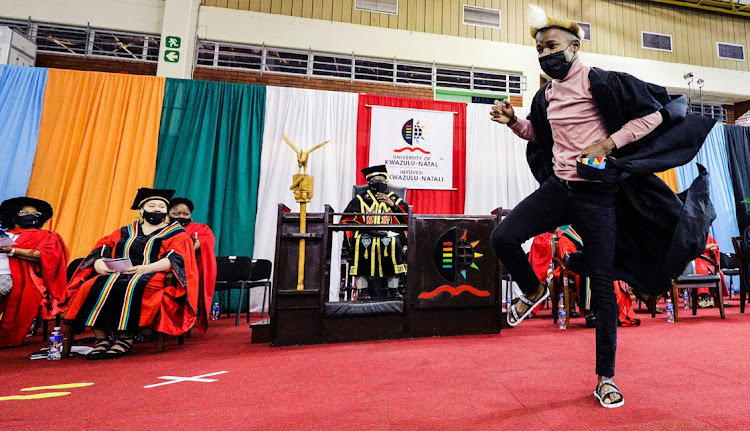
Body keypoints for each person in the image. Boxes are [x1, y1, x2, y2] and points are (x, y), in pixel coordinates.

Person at [489, 5, 715, 408]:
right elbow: (539, 136)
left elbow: (652, 117)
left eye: (552, 47)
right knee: (503, 237)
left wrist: (608, 144)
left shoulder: (603, 82)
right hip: (558, 189)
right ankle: (534, 289)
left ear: (575, 47)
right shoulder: (546, 95)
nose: (545, 55)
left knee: (603, 285)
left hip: (597, 196)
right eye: (539, 50)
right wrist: (512, 122)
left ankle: (605, 378)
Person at [62, 188, 199, 360]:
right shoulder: (125, 231)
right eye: (152, 205)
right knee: (91, 287)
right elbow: (102, 249)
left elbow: (176, 259)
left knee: (132, 287)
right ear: (141, 210)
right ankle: (101, 339)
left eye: (161, 207)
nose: (157, 209)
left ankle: (125, 338)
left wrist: (145, 269)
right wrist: (99, 264)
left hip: (153, 274)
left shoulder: (176, 233)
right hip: (118, 272)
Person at [0, 197, 69, 347]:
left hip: (17, 277)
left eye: (35, 213)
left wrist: (12, 250)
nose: (30, 215)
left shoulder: (46, 236)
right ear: (13, 215)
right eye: (24, 212)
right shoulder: (3, 235)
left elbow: (46, 256)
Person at [342, 165, 408, 300]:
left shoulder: (393, 198)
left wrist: (392, 205)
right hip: (366, 233)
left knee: (393, 242)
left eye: (381, 180)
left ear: (386, 182)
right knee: (361, 243)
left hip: (388, 234)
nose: (378, 183)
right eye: (374, 181)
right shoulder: (360, 199)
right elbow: (346, 220)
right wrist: (366, 229)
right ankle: (363, 290)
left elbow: (407, 217)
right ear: (369, 183)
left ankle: (393, 290)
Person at [168, 198, 216, 334]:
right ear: (168, 214)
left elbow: (207, 242)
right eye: (176, 214)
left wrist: (190, 246)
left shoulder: (200, 228)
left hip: (193, 269)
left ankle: (182, 323)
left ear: (191, 215)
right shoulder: (162, 229)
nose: (181, 217)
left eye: (185, 214)